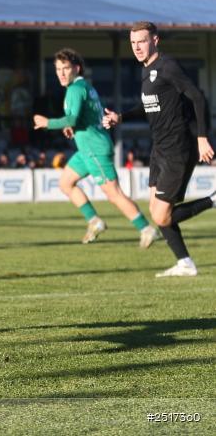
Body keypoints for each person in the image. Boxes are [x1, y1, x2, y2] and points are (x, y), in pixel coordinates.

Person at [103, 22, 215, 277]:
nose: (136, 47)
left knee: (161, 216)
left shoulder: (167, 66)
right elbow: (149, 105)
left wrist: (202, 138)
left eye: (141, 41)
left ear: (155, 40)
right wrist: (121, 117)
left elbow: (197, 97)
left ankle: (213, 200)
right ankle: (185, 263)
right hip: (160, 148)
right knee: (156, 210)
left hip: (178, 148)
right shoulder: (147, 70)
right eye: (133, 43)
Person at [34, 48, 159, 245]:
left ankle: (146, 228)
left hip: (94, 150)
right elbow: (85, 117)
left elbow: (73, 118)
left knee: (113, 194)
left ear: (76, 68)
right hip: (86, 150)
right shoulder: (84, 86)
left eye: (65, 68)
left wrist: (47, 123)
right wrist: (72, 127)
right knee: (65, 183)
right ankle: (95, 221)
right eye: (58, 69)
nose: (61, 73)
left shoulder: (75, 90)